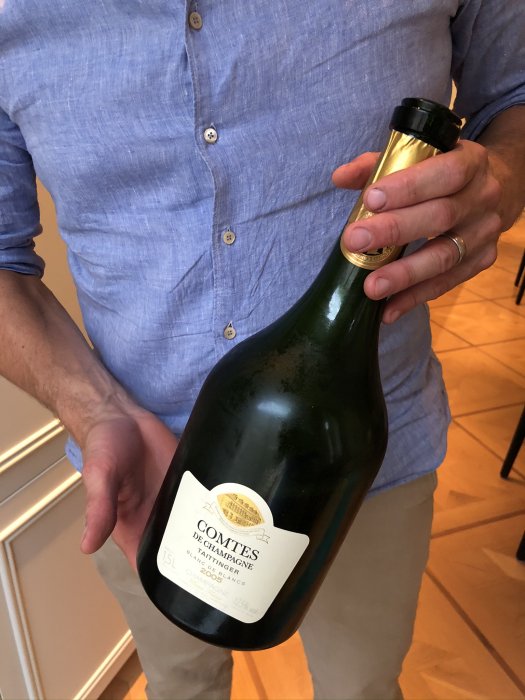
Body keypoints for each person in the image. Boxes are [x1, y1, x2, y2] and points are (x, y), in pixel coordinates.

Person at [0, 1, 524, 698]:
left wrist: (502, 178)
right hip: (140, 470)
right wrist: (96, 413)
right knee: (180, 686)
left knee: (361, 688)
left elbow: (515, 94)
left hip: (359, 458)